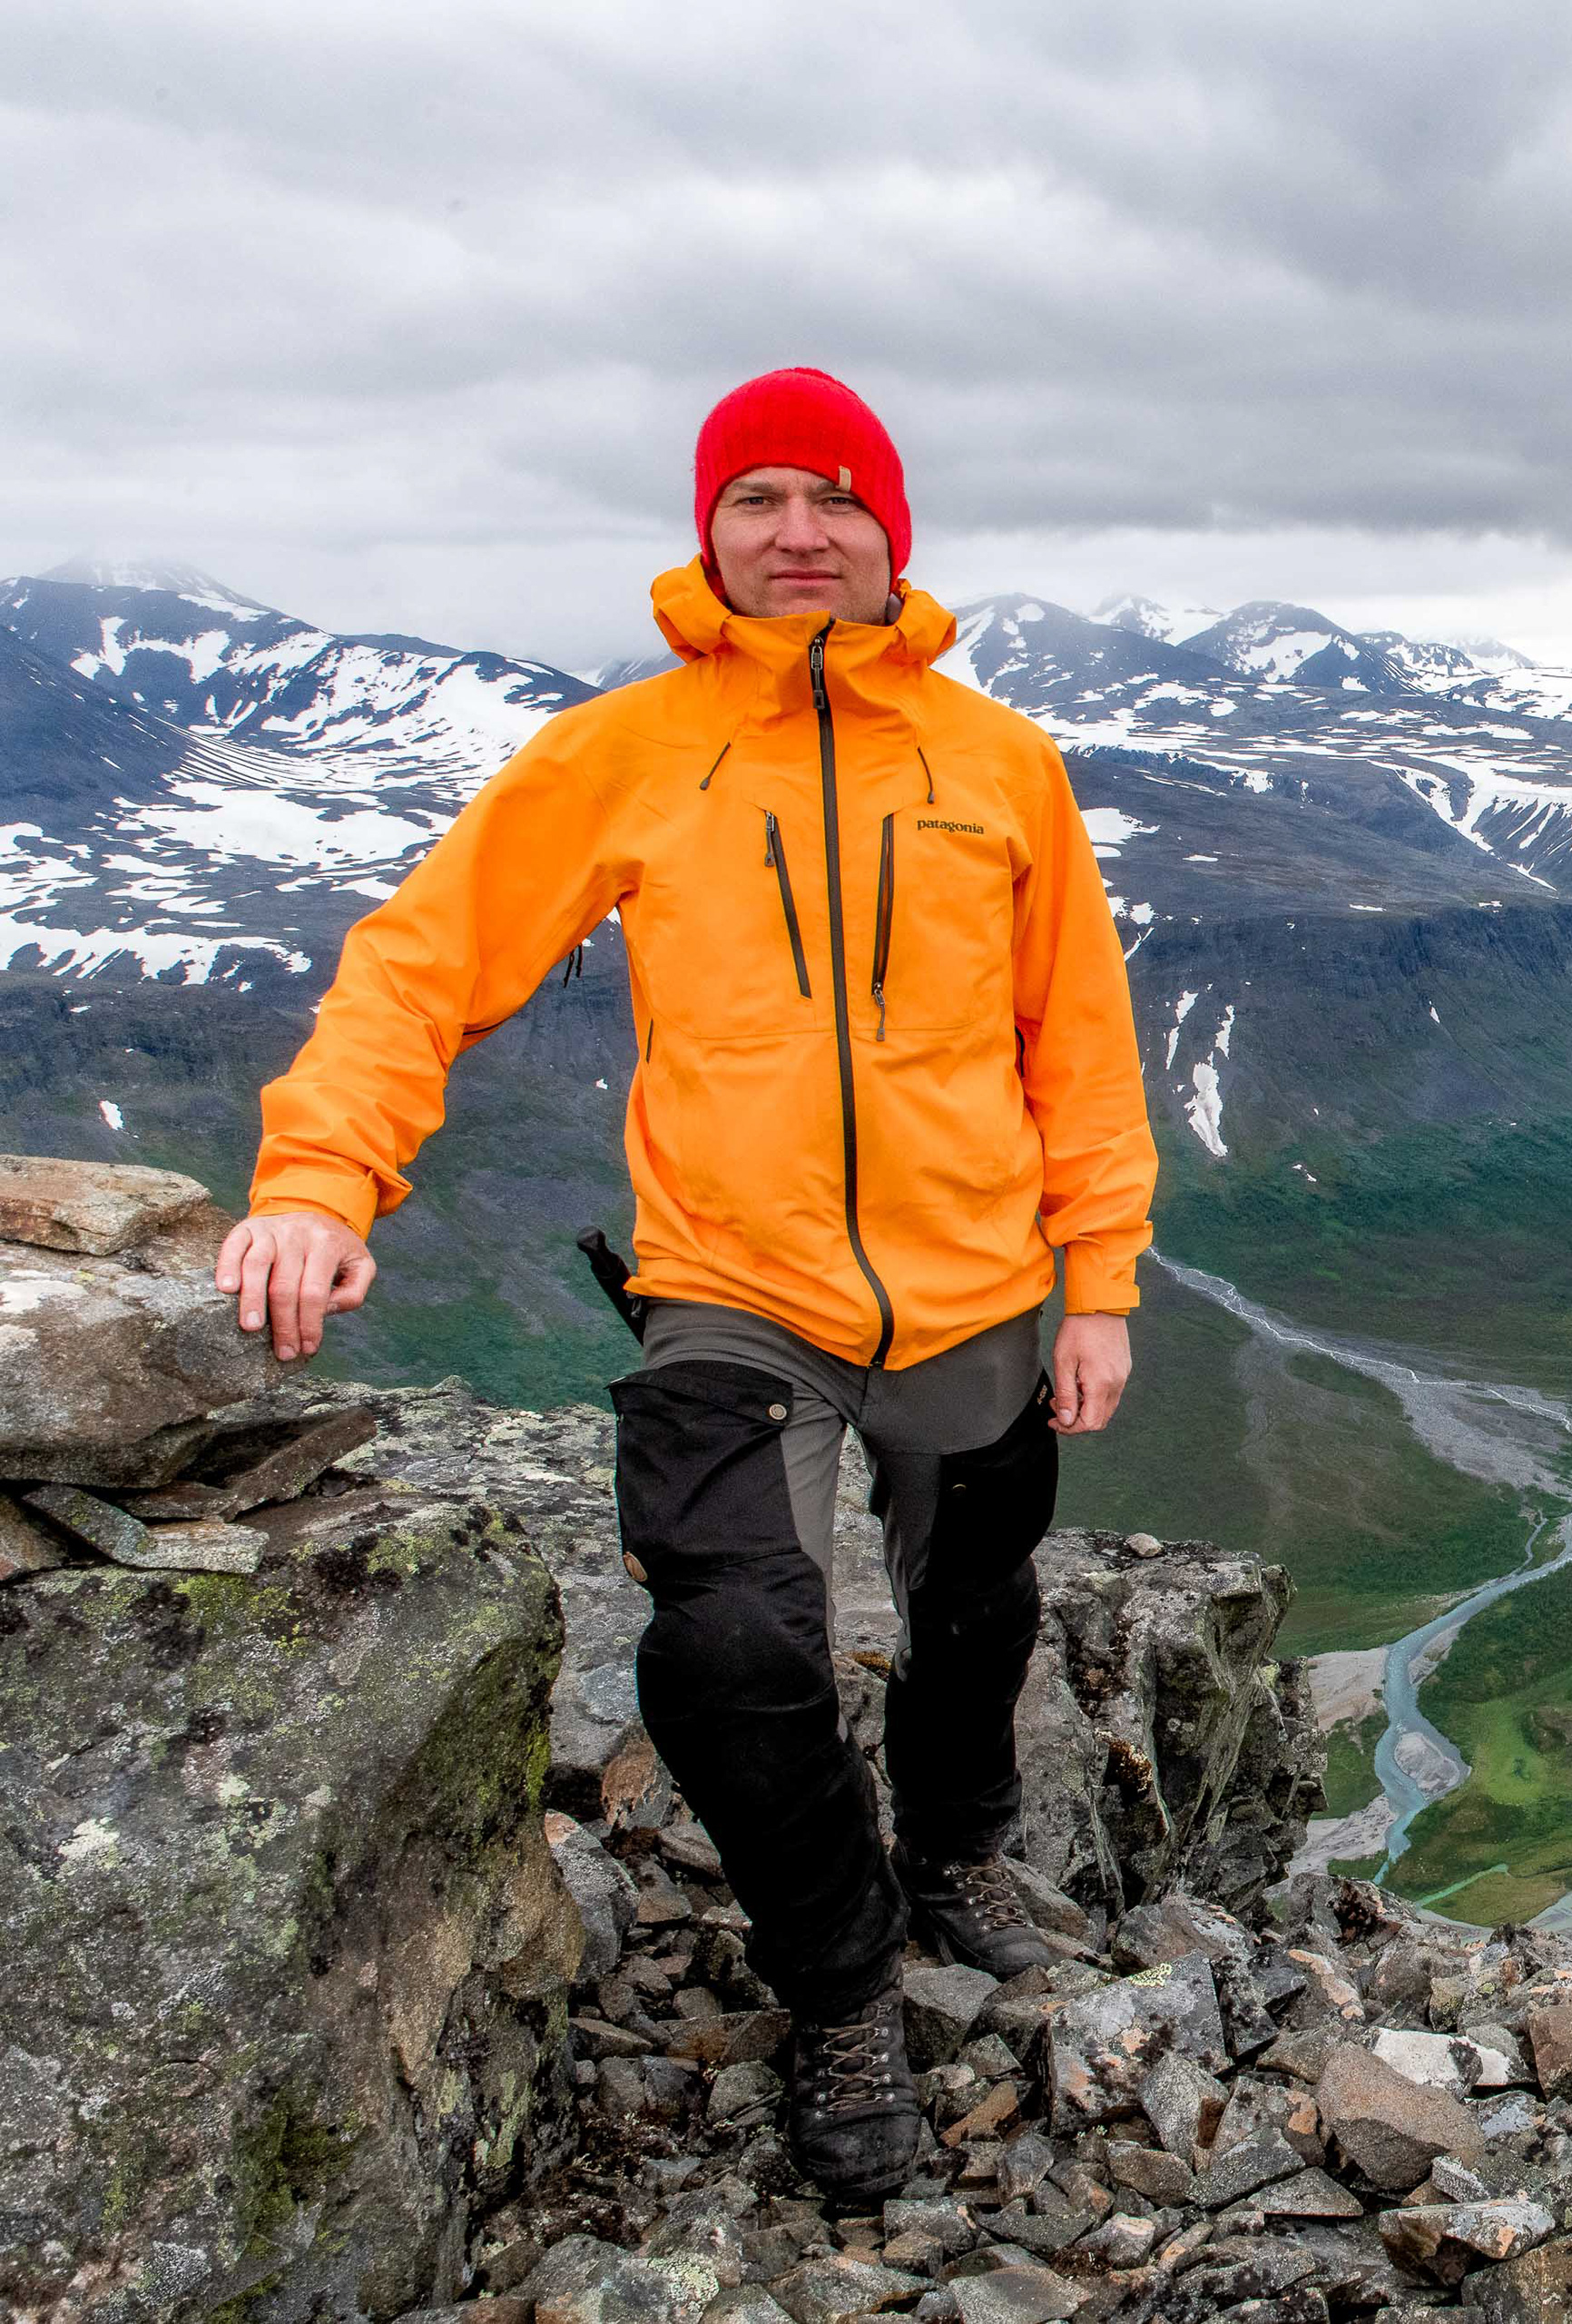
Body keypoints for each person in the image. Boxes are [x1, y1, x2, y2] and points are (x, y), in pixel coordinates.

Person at [218, 366, 1162, 2201]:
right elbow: (424, 961)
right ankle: (843, 1987)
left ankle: (959, 1840)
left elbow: (1083, 1037)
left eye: (835, 497)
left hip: (975, 1282)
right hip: (733, 1282)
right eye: (757, 499)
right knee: (731, 1649)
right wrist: (321, 1175)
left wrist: (1099, 1276)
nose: (798, 532)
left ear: (892, 531)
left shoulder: (998, 764)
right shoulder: (631, 750)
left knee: (975, 1606)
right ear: (708, 532)